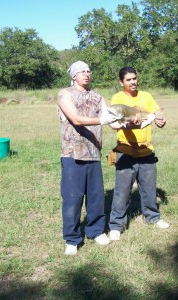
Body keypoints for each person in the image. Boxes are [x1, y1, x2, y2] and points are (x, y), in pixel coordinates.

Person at [57, 61, 118, 255]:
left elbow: (113, 122)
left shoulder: (98, 97)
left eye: (88, 70)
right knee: (72, 199)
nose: (86, 74)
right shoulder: (65, 94)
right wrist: (102, 120)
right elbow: (75, 119)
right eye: (81, 71)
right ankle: (72, 239)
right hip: (72, 154)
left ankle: (96, 231)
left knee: (96, 197)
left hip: (94, 154)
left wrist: (137, 121)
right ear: (74, 76)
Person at [108, 66, 170, 242]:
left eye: (134, 78)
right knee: (122, 190)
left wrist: (160, 120)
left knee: (149, 187)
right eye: (128, 80)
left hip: (146, 150)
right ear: (121, 82)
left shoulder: (146, 96)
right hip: (125, 150)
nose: (133, 82)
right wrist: (131, 123)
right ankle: (116, 225)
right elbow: (114, 122)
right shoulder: (117, 98)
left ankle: (152, 217)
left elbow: (156, 113)